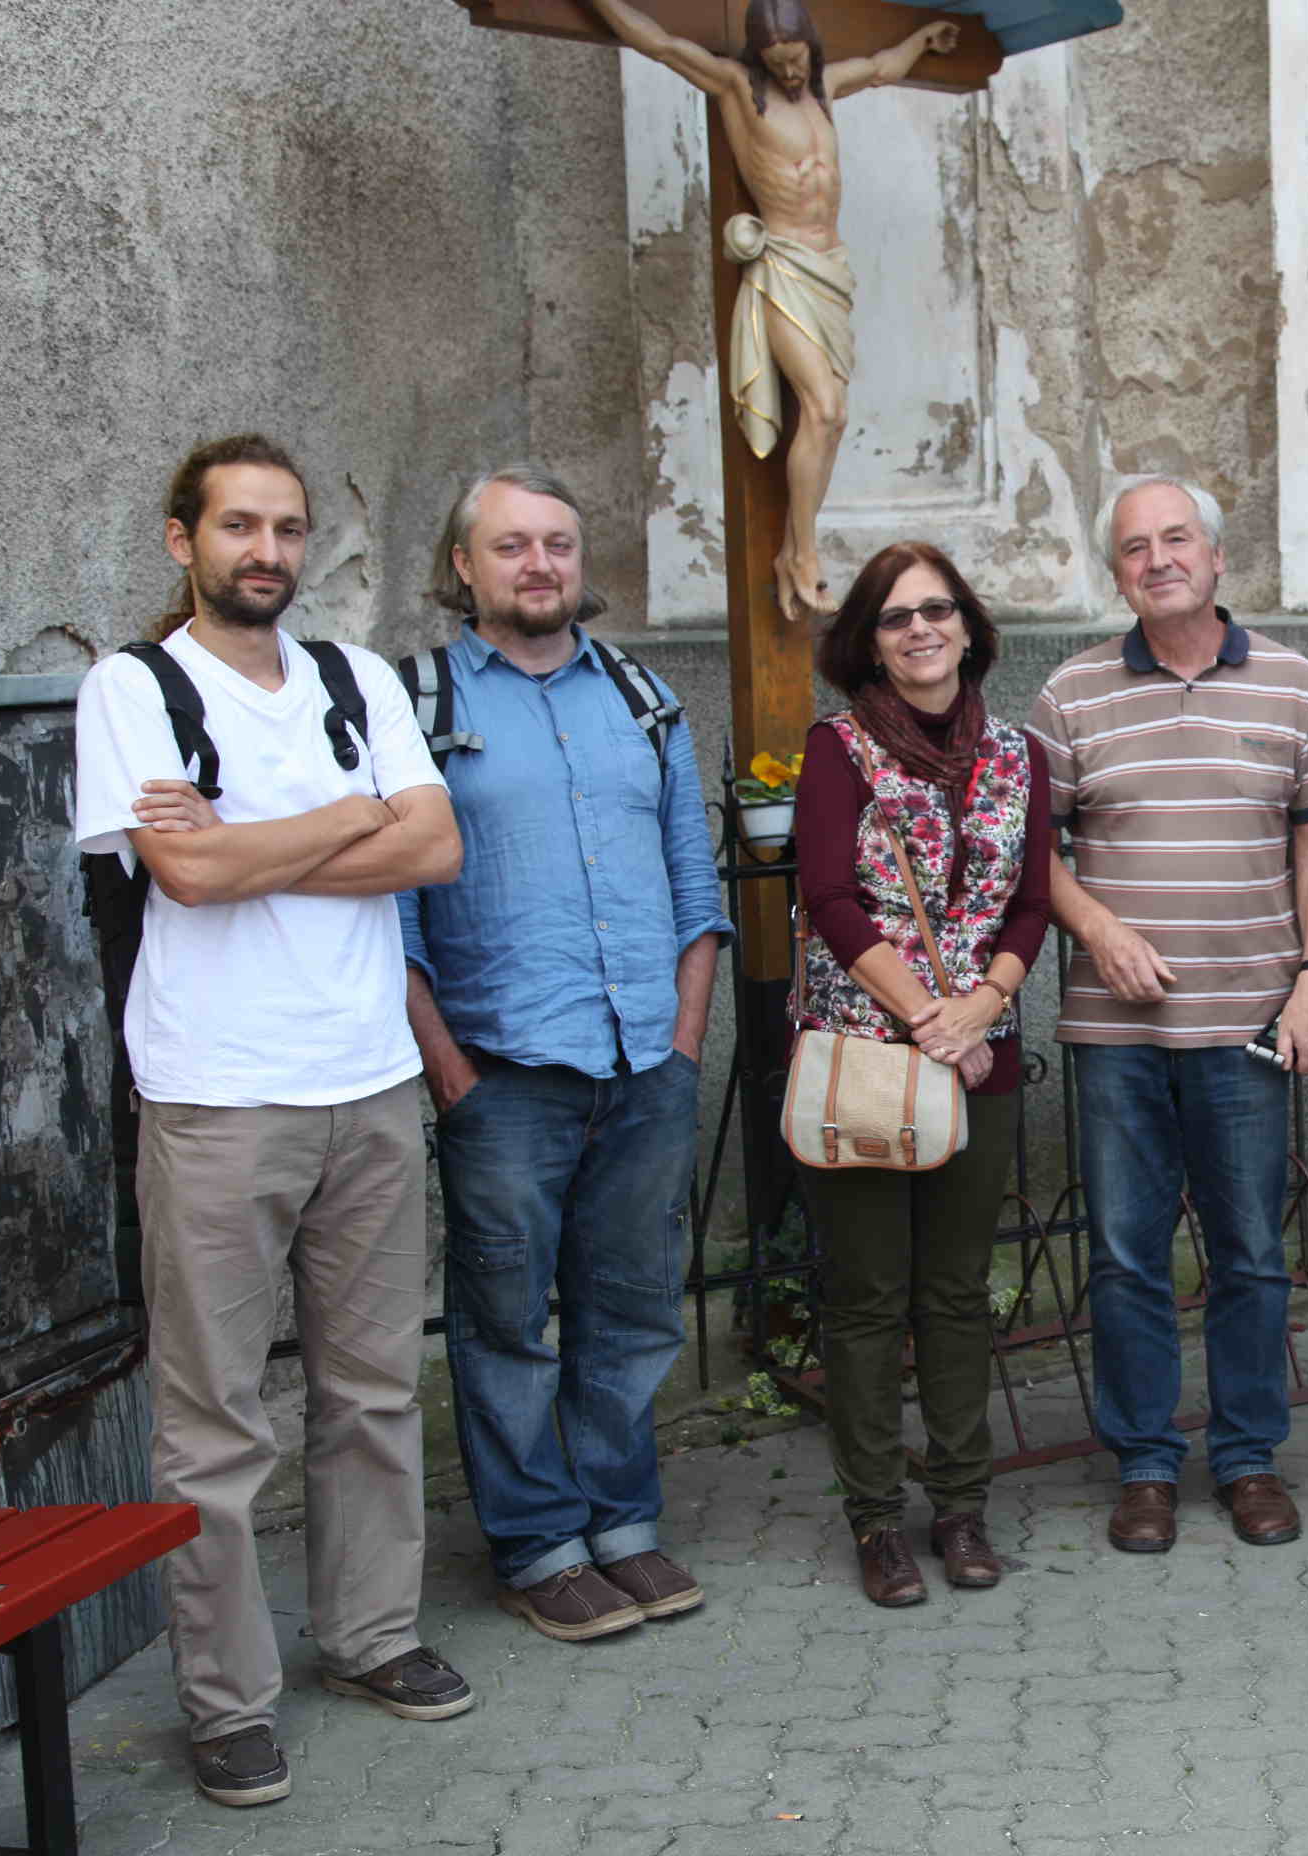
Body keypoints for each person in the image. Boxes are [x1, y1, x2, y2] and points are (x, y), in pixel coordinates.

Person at [72, 435, 471, 1810]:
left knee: (372, 1391)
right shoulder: (135, 688)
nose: (268, 551)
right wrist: (351, 813)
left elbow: (437, 845)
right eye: (239, 525)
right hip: (218, 1097)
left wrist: (254, 839)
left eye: (289, 528)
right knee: (215, 1424)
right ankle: (230, 1702)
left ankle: (370, 1635)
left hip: (368, 1081)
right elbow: (183, 876)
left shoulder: (356, 679)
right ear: (181, 539)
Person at [397, 466, 731, 1645]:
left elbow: (695, 883)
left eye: (557, 543)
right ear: (464, 566)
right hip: (503, 1072)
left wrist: (684, 1041)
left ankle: (621, 1521)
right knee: (504, 1321)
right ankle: (538, 1541)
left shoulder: (641, 695)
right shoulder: (420, 702)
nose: (539, 564)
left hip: (644, 1062)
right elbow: (392, 917)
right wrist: (450, 1073)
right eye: (511, 545)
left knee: (631, 1310)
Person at [1032, 474, 1308, 1554]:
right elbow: (1034, 851)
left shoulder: (1292, 682)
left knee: (1252, 1251)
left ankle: (1248, 1454)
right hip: (1116, 1032)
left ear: (1218, 558)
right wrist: (1098, 929)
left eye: (1178, 539)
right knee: (1126, 1255)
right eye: (1135, 547)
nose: (1159, 559)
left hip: (1250, 1021)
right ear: (1116, 573)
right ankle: (1143, 1462)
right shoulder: (1071, 692)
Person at [789, 542, 1051, 1607]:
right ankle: (873, 1519)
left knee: (955, 1291)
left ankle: (959, 1504)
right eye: (896, 617)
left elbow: (1031, 901)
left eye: (937, 609)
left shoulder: (1020, 755)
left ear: (969, 626)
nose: (920, 630)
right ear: (869, 640)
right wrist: (930, 1019)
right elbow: (828, 898)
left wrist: (982, 1006)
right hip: (865, 1055)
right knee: (865, 1296)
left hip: (982, 1054)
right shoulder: (838, 748)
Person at [575, 0, 960, 618]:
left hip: (830, 270)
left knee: (833, 420)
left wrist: (923, 39)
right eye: (777, 64)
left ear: (811, 48)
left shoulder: (825, 88)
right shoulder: (736, 87)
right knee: (822, 407)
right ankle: (804, 555)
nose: (789, 73)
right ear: (760, 57)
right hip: (783, 267)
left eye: (796, 60)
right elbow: (660, 44)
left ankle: (792, 552)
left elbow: (882, 67)